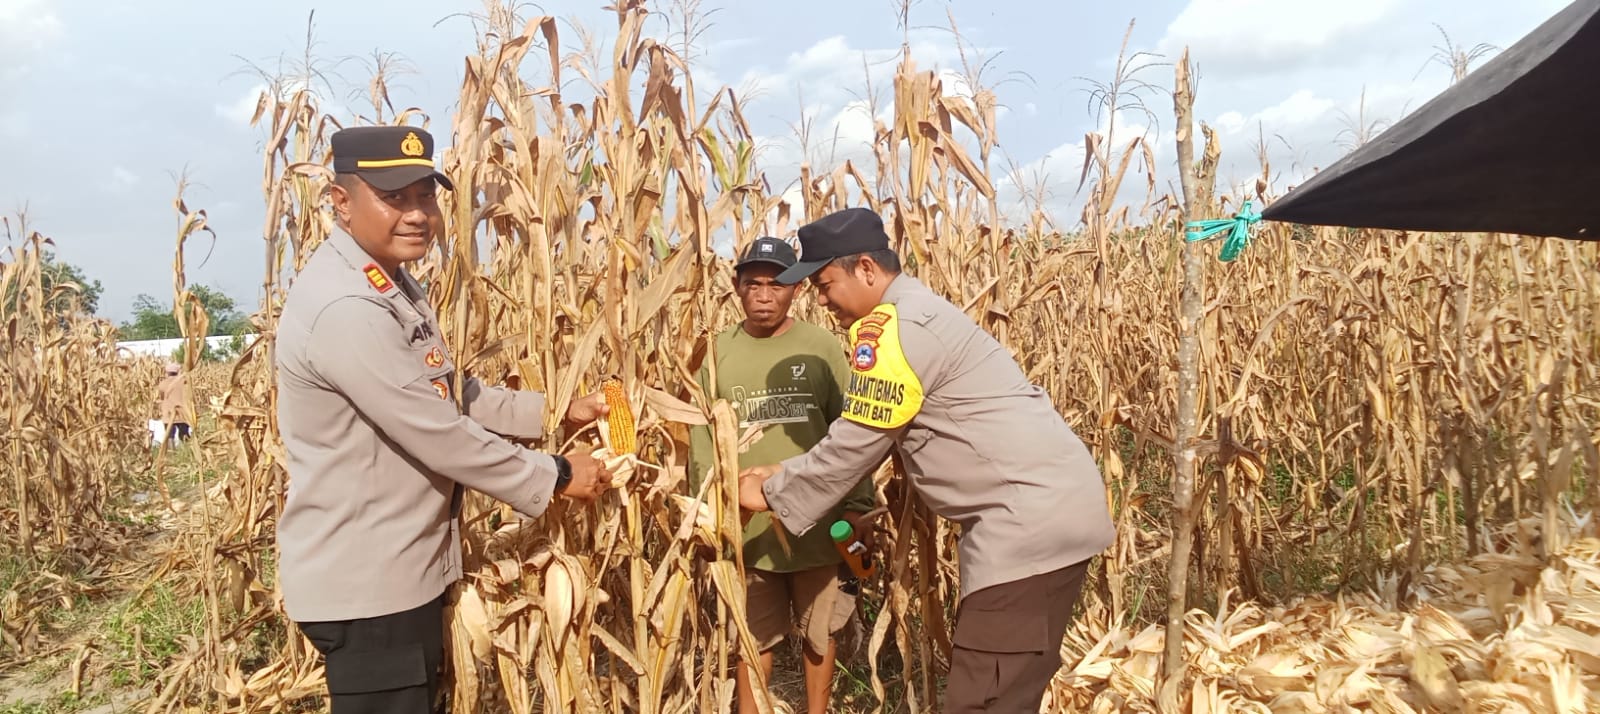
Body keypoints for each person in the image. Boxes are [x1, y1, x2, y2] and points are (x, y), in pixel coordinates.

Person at [274, 125, 615, 714]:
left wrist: (555, 412)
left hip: (398, 570)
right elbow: (435, 431)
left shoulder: (388, 285)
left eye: (424, 196)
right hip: (370, 586)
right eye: (393, 197)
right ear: (338, 202)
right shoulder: (348, 307)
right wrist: (555, 475)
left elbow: (449, 394)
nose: (416, 215)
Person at [736, 207, 1116, 713]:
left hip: (1023, 527)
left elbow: (858, 441)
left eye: (826, 284)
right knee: (1010, 691)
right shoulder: (921, 312)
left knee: (982, 698)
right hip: (1048, 514)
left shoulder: (895, 330)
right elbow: (870, 429)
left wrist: (768, 492)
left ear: (866, 269)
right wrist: (783, 471)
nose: (823, 300)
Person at [687, 237, 876, 714]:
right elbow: (701, 438)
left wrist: (857, 505)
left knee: (821, 632)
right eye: (754, 284)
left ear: (795, 289)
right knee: (754, 640)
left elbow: (854, 429)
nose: (765, 295)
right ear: (736, 288)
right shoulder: (714, 353)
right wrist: (709, 509)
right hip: (747, 529)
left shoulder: (821, 346)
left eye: (777, 284)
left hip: (818, 521)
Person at [154, 362, 191, 446]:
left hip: (168, 413)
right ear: (177, 371)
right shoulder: (184, 382)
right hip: (182, 412)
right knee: (184, 434)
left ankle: (172, 454)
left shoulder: (162, 384)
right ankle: (189, 451)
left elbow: (161, 397)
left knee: (170, 436)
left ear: (167, 372)